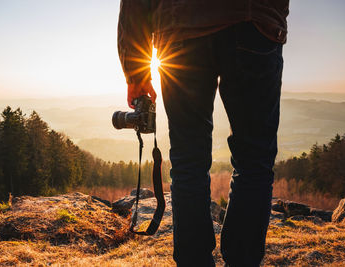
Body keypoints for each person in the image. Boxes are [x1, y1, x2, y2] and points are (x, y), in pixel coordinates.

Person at [118, 1, 289, 266]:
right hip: (253, 22)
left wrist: (135, 70)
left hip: (179, 28)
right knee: (254, 162)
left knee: (188, 162)